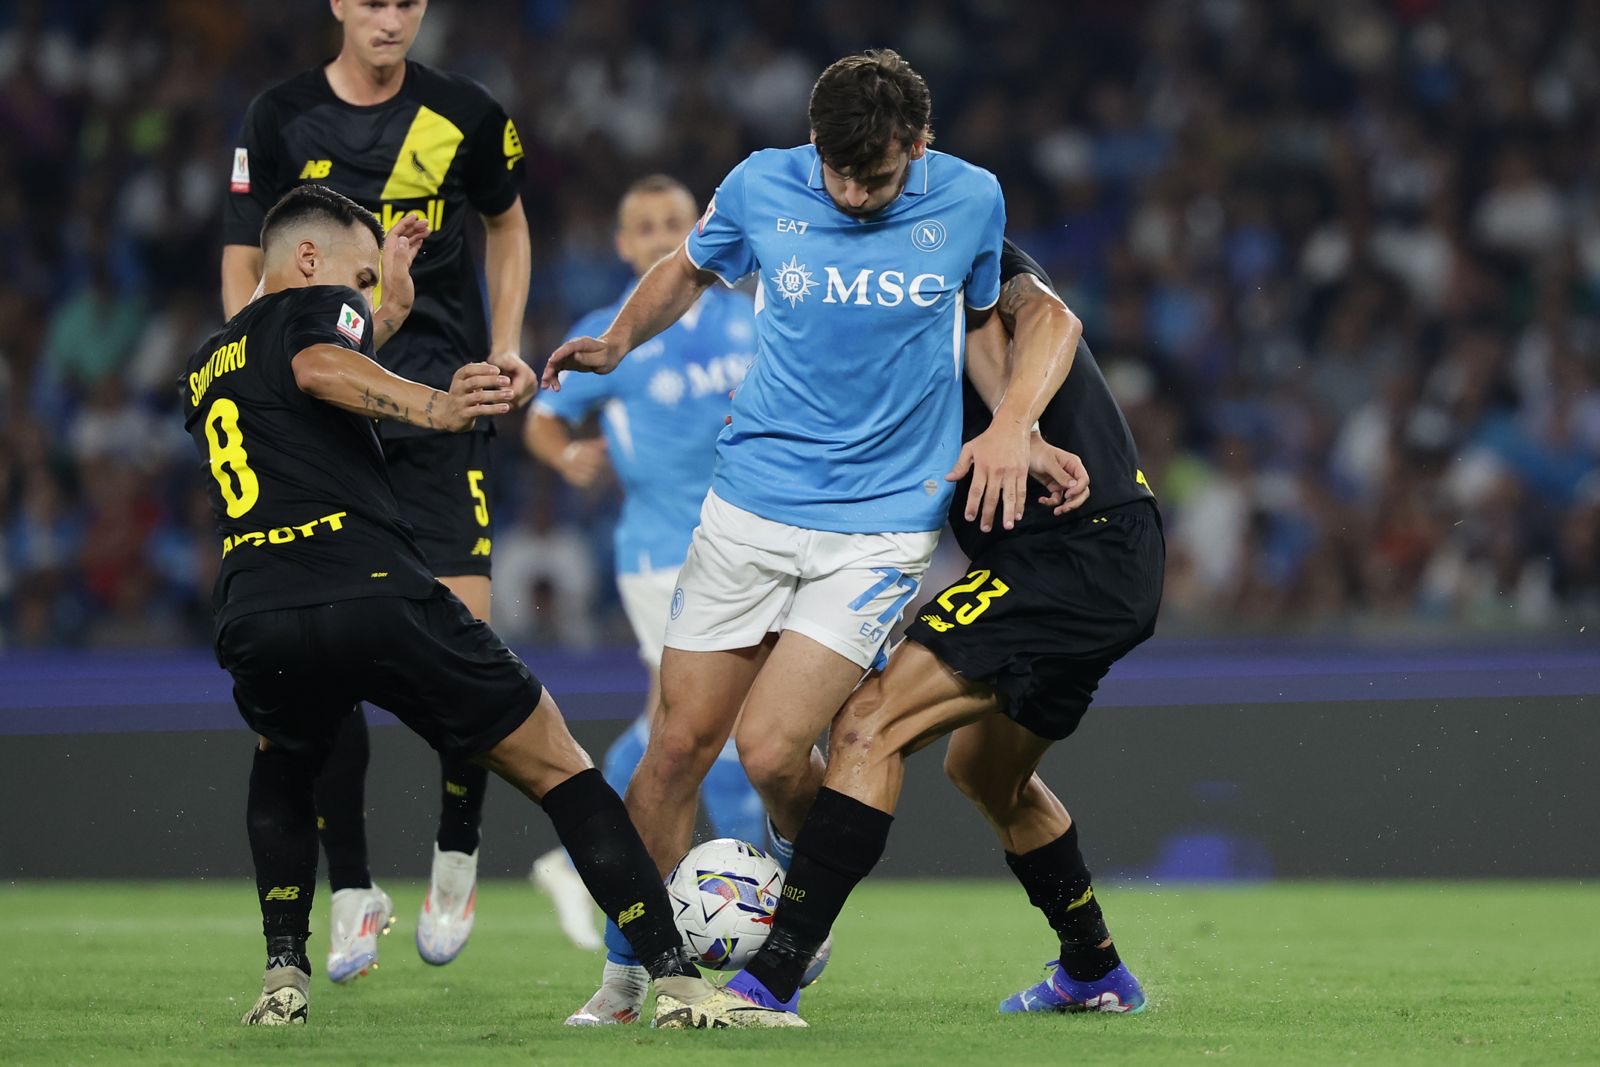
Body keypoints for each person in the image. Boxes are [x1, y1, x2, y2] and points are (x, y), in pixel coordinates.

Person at [188, 184, 797, 1031]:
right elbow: (321, 364)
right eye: (358, 278)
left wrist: (392, 297)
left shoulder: (211, 358)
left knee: (284, 765)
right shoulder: (316, 312)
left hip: (256, 610)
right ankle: (672, 977)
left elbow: (316, 369)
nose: (361, 297)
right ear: (309, 259)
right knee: (558, 761)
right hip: (368, 587)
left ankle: (283, 973)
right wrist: (433, 404)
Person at [543, 49, 1029, 1024]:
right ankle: (629, 974)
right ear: (813, 143)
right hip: (748, 508)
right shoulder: (760, 185)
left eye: (875, 177)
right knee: (675, 749)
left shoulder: (971, 199)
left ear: (918, 146)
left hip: (880, 527)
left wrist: (1014, 422)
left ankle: (799, 908)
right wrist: (619, 341)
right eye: (838, 172)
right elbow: (686, 270)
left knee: (770, 754)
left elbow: (981, 323)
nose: (852, 193)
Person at [721, 238, 1163, 1020]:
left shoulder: (964, 256)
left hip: (1080, 545)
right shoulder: (880, 349)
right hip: (1072, 559)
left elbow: (1055, 320)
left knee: (869, 723)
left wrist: (1016, 423)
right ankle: (1094, 968)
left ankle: (772, 979)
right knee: (986, 773)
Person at [219, 0, 537, 979]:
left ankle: (458, 846)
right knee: (328, 662)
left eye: (406, 1)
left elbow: (508, 224)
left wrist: (506, 344)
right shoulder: (278, 116)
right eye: (372, 0)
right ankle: (353, 888)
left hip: (439, 403)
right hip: (325, 416)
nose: (389, 17)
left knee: (469, 641)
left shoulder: (468, 113)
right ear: (338, 5)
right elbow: (243, 265)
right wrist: (260, 376)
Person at [524, 174, 767, 961]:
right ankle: (766, 904)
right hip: (661, 553)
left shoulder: (749, 318)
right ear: (625, 245)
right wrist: (566, 457)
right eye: (647, 226)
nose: (664, 235)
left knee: (673, 722)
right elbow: (543, 417)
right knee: (711, 724)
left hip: (748, 546)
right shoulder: (609, 331)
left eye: (676, 221)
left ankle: (575, 861)